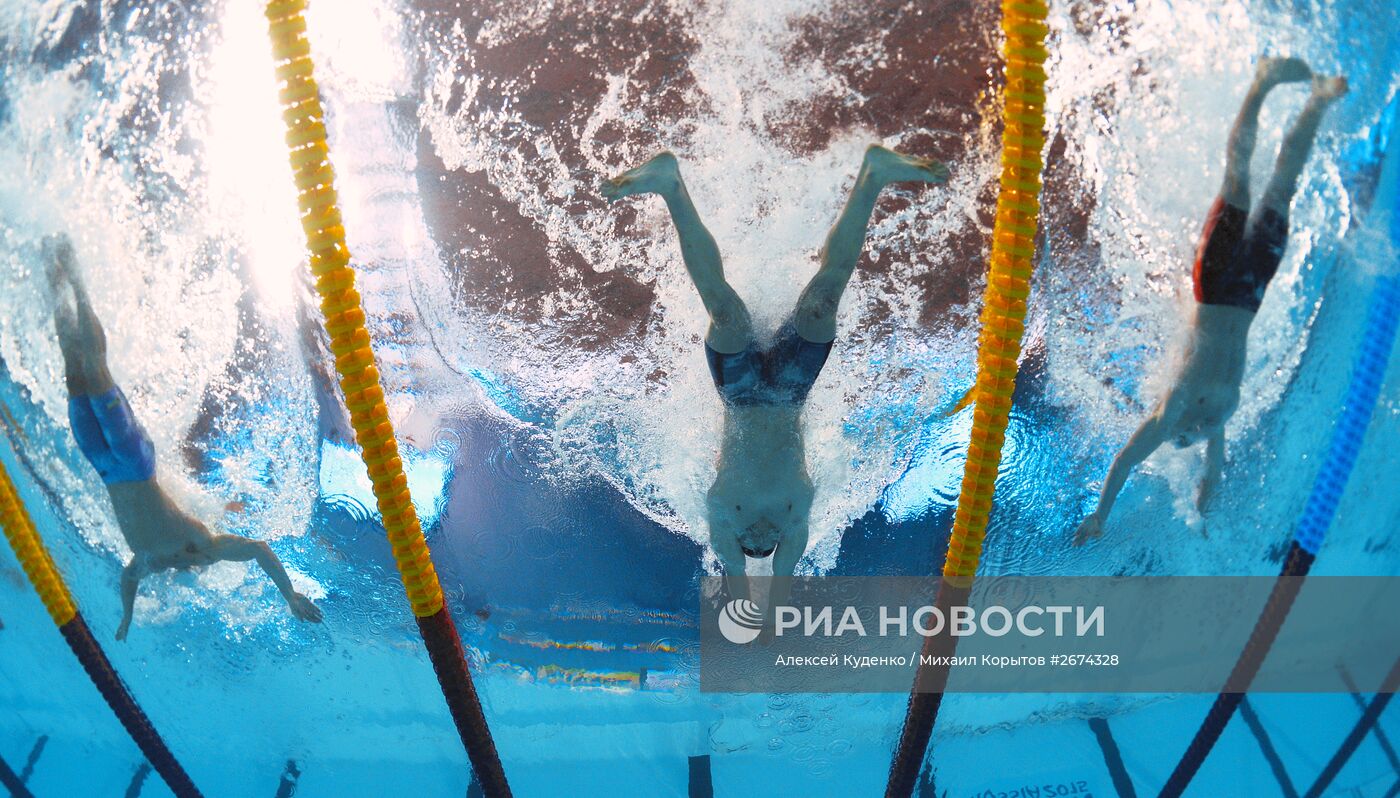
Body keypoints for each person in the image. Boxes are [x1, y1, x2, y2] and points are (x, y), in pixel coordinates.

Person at [603, 145, 948, 606]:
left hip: (740, 392)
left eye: (753, 543)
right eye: (766, 544)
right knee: (823, 300)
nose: (759, 537)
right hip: (790, 390)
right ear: (780, 543)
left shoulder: (724, 516)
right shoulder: (797, 517)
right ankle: (875, 174)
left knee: (723, 311)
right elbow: (782, 580)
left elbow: (738, 574)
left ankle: (670, 187)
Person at [1075, 58, 1348, 545]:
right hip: (1250, 294)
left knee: (1238, 181)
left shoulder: (1173, 410)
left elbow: (1125, 461)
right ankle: (1320, 99)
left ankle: (1261, 81)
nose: (1189, 440)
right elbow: (1213, 475)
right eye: (1192, 443)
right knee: (1282, 189)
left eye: (1182, 440)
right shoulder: (1216, 422)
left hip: (1216, 283)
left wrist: (1100, 515)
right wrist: (1203, 515)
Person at [44, 234, 323, 638]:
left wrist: (126, 615)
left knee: (74, 374)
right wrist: (289, 594)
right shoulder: (203, 547)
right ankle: (77, 282)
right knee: (96, 369)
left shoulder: (150, 563)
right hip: (134, 460)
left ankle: (54, 284)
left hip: (103, 466)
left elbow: (129, 578)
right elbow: (257, 550)